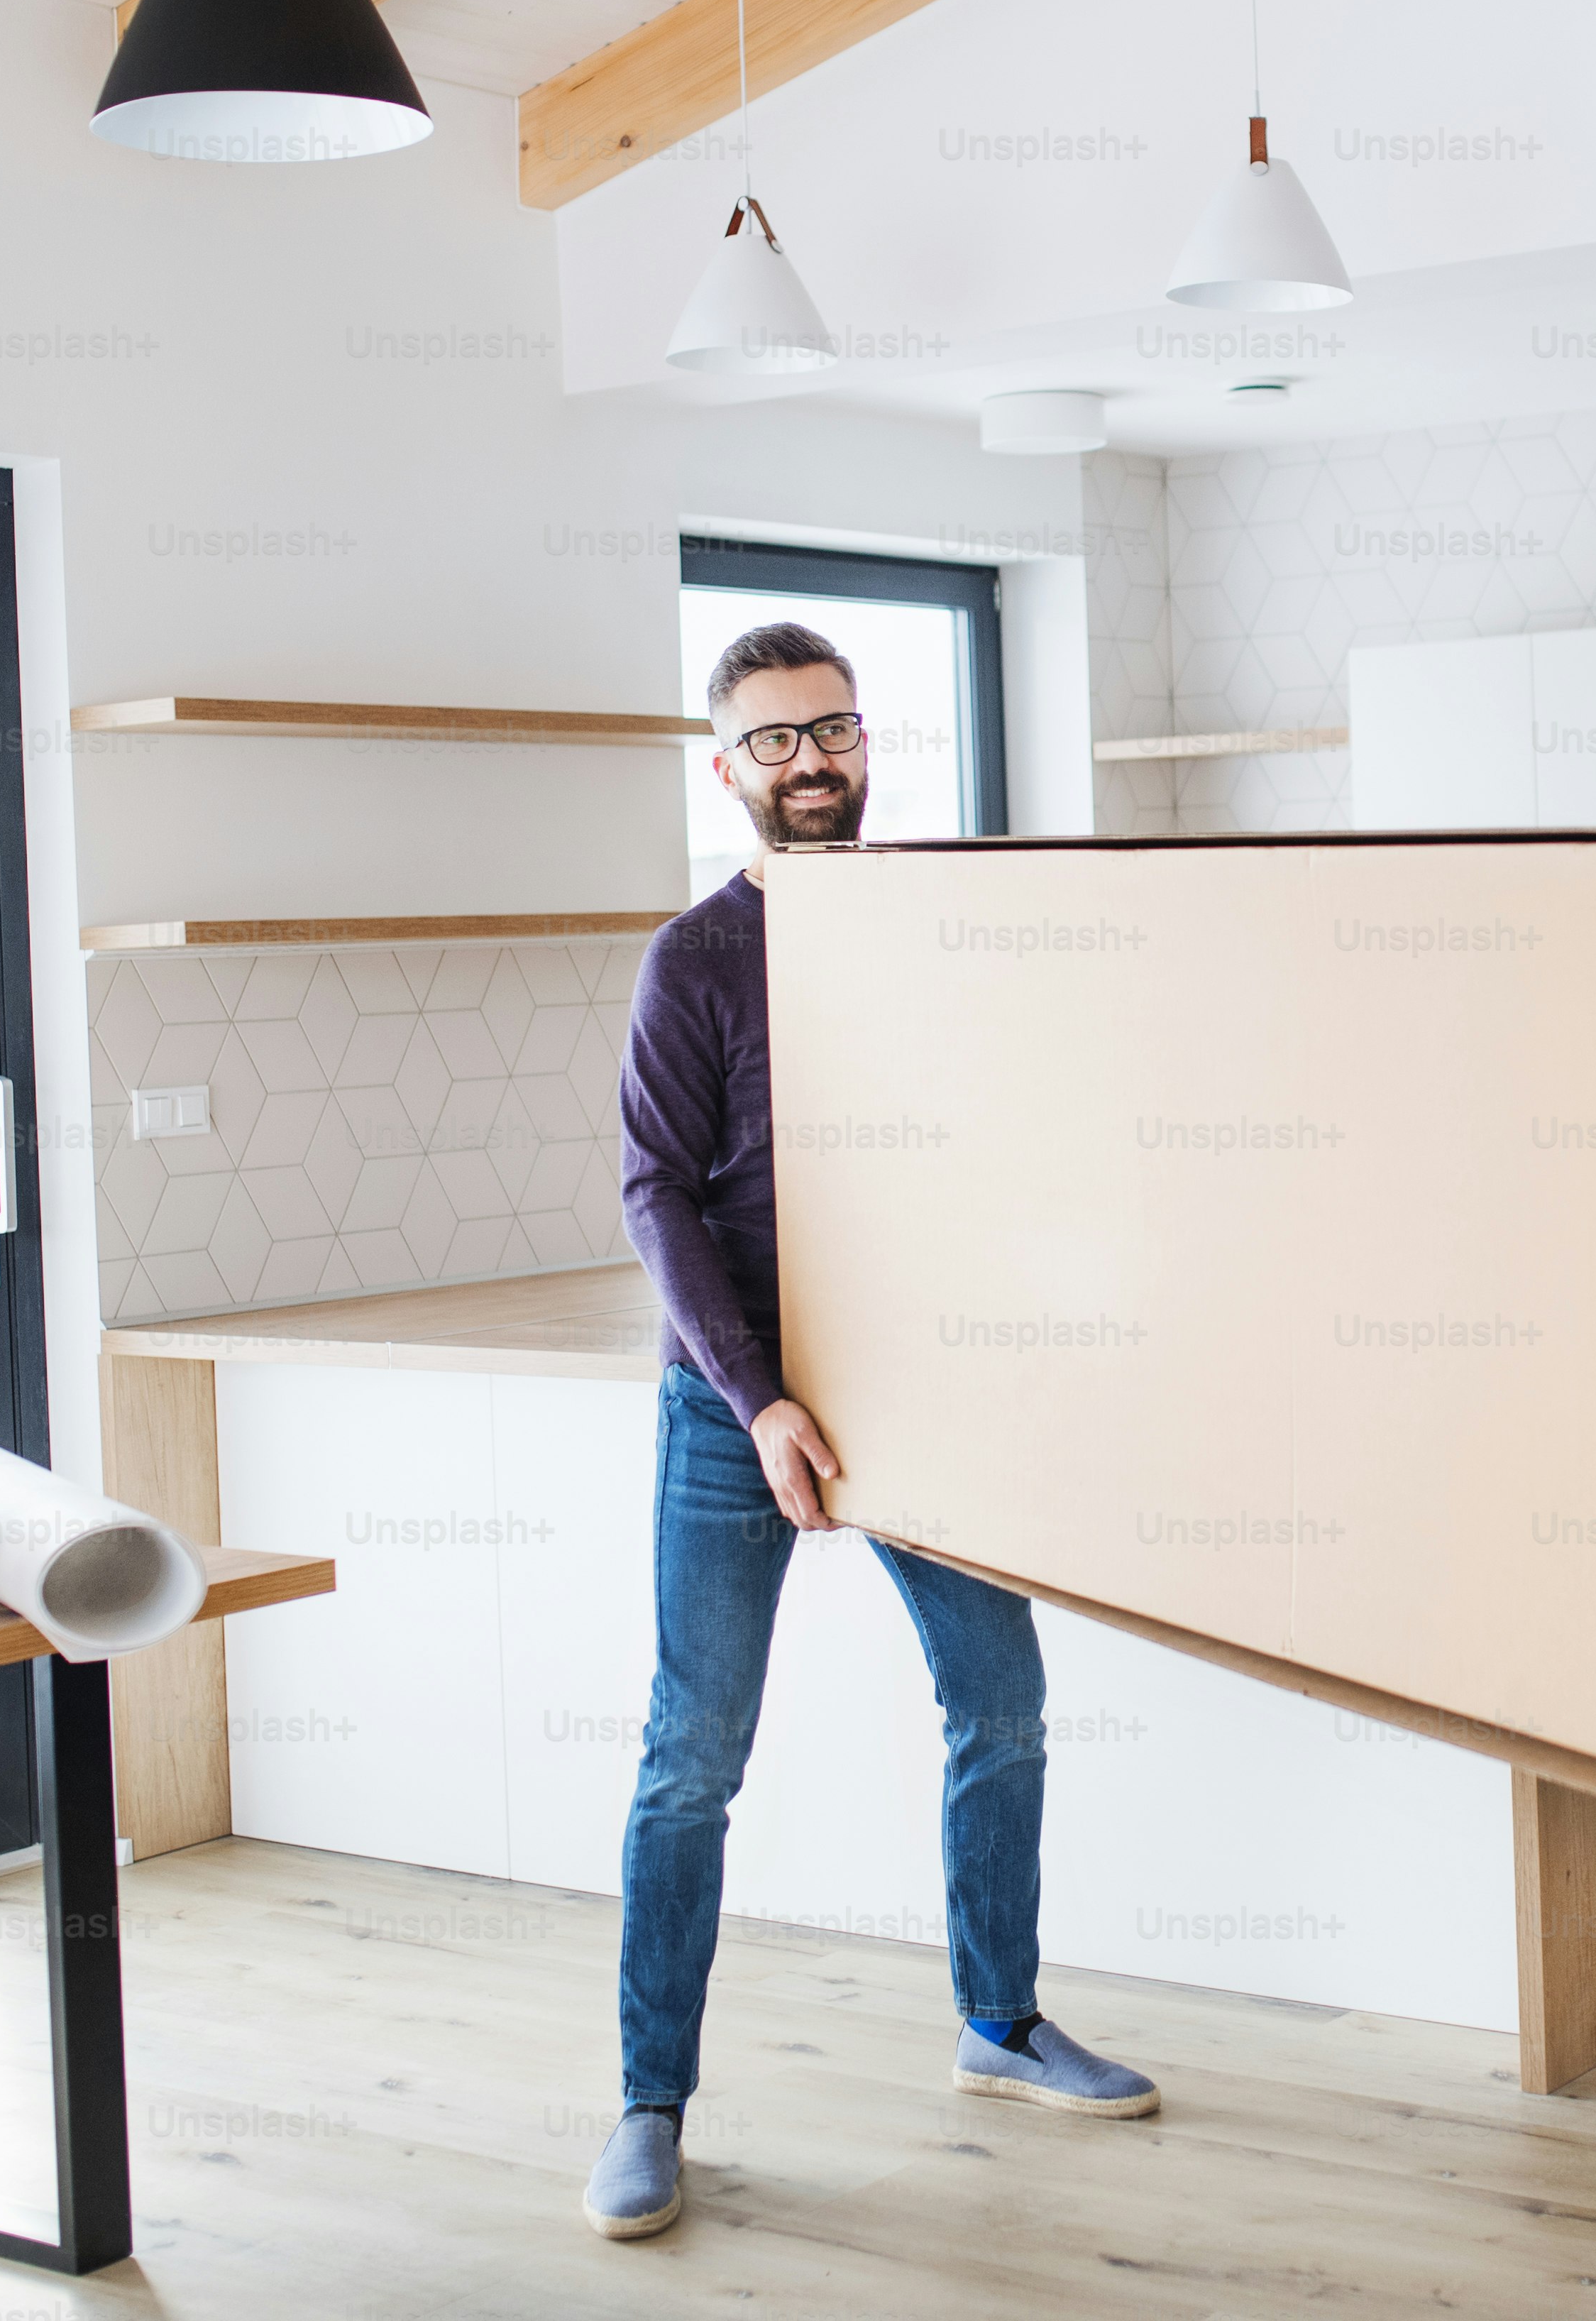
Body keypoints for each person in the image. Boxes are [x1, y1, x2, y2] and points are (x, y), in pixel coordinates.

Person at [582, 620, 1159, 2242]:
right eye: (772, 740)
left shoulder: (929, 929)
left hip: (921, 1388)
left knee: (1004, 1705)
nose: (809, 761)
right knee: (689, 1757)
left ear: (863, 741)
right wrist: (759, 1396)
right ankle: (647, 2103)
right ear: (727, 769)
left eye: (828, 729)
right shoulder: (691, 962)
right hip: (731, 1401)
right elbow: (655, 1194)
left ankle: (999, 2020)